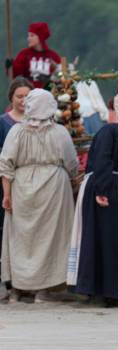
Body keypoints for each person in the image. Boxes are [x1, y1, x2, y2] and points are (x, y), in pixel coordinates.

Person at [0, 89, 78, 303]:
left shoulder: (16, 132)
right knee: (49, 239)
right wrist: (72, 178)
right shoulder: (60, 132)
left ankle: (18, 289)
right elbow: (72, 164)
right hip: (54, 188)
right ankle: (44, 289)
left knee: (22, 239)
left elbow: (5, 164)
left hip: (22, 188)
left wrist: (6, 194)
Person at [68, 92, 118, 307]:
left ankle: (102, 290)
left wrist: (101, 190)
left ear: (117, 111)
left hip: (106, 186)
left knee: (100, 239)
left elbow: (102, 160)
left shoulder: (110, 131)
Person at [0, 77, 33, 301]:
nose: (23, 101)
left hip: (29, 186)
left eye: (27, 97)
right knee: (4, 229)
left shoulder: (36, 121)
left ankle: (24, 280)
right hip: (5, 180)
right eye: (19, 96)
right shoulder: (3, 122)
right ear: (11, 98)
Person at [9, 22, 61, 89]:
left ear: (40, 37)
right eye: (28, 36)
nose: (28, 38)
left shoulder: (53, 56)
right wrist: (11, 66)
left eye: (32, 35)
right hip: (29, 92)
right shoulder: (24, 54)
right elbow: (16, 75)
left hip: (48, 93)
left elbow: (61, 75)